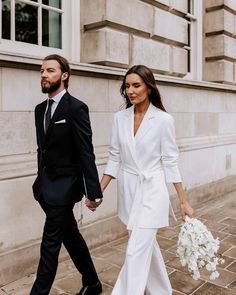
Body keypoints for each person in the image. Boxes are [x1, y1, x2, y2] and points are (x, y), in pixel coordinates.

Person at [94, 65, 194, 295]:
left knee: (135, 251)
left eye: (136, 85)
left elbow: (170, 161)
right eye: (127, 86)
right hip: (128, 191)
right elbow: (114, 158)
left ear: (149, 87)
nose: (130, 91)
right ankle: (162, 292)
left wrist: (182, 200)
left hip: (152, 191)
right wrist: (99, 191)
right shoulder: (120, 118)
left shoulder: (163, 120)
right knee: (147, 247)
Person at [31, 54, 103, 295]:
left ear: (64, 76)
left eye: (50, 70)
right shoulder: (40, 109)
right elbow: (44, 150)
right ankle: (93, 283)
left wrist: (94, 191)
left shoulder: (76, 108)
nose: (44, 74)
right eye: (42, 70)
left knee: (49, 247)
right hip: (45, 189)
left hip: (64, 189)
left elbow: (86, 152)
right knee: (70, 236)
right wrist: (39, 182)